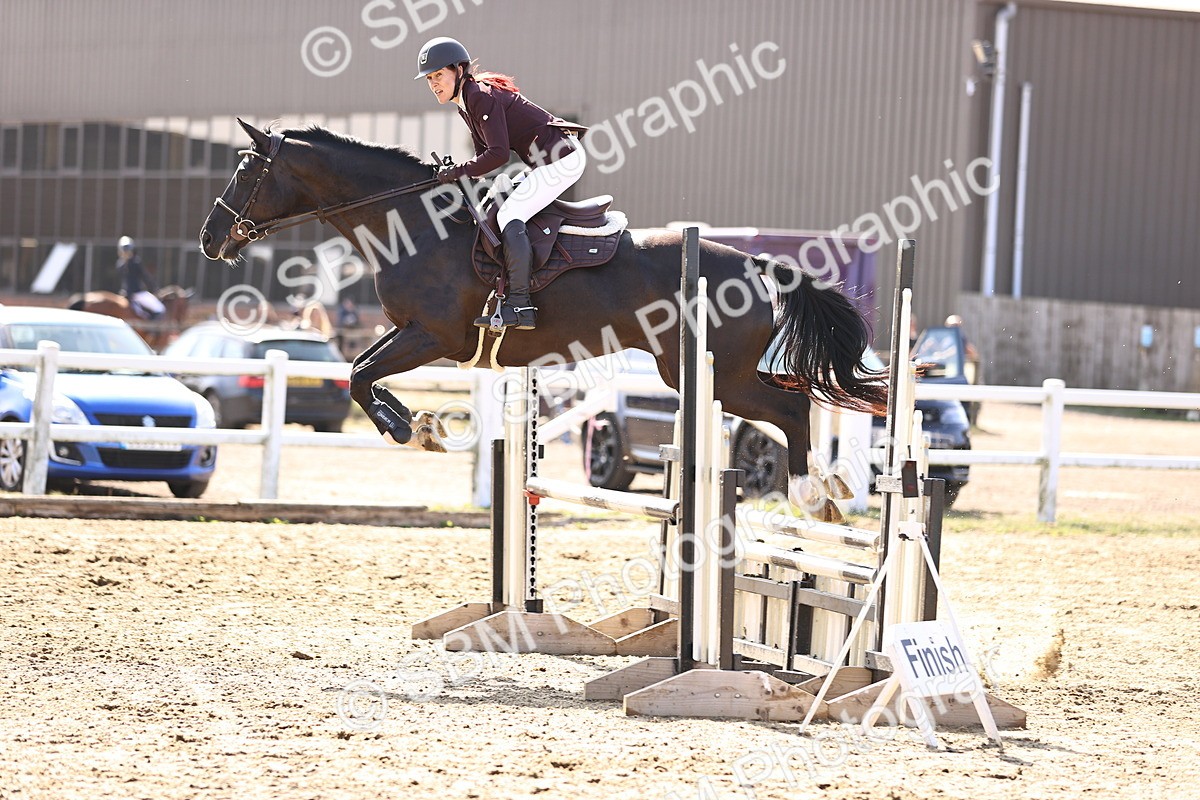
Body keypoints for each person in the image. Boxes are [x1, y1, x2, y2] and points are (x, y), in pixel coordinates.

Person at [415, 37, 588, 331]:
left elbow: (496, 155)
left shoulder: (479, 96)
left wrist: (458, 172)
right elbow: (482, 157)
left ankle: (520, 305)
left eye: (438, 75)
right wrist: (455, 173)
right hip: (545, 161)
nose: (434, 83)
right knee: (498, 201)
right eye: (429, 78)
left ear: (459, 70)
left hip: (562, 160)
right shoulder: (467, 101)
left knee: (510, 214)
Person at [115, 236, 165, 320]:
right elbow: (146, 277)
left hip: (124, 293)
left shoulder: (119, 264)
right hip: (137, 293)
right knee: (160, 309)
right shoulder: (135, 262)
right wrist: (155, 290)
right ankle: (152, 330)